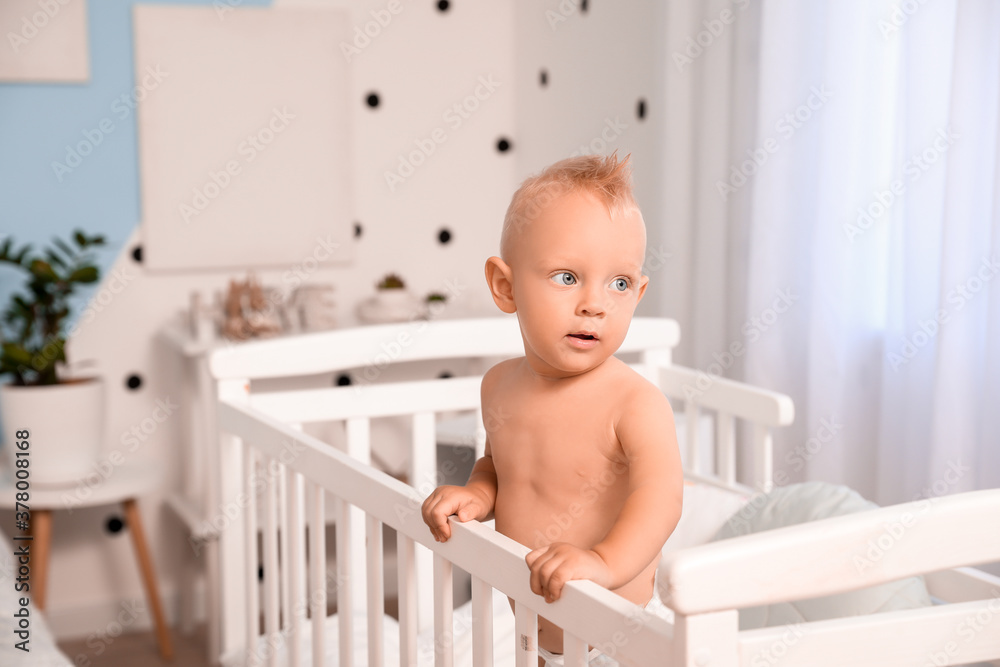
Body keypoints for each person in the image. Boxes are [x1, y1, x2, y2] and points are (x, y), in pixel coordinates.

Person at [421, 152, 682, 665]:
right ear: (505, 286)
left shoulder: (634, 402)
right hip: (536, 626)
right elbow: (501, 465)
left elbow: (662, 497)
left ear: (638, 294)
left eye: (620, 283)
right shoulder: (499, 385)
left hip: (618, 634)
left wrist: (604, 563)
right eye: (567, 277)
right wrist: (478, 493)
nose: (595, 303)